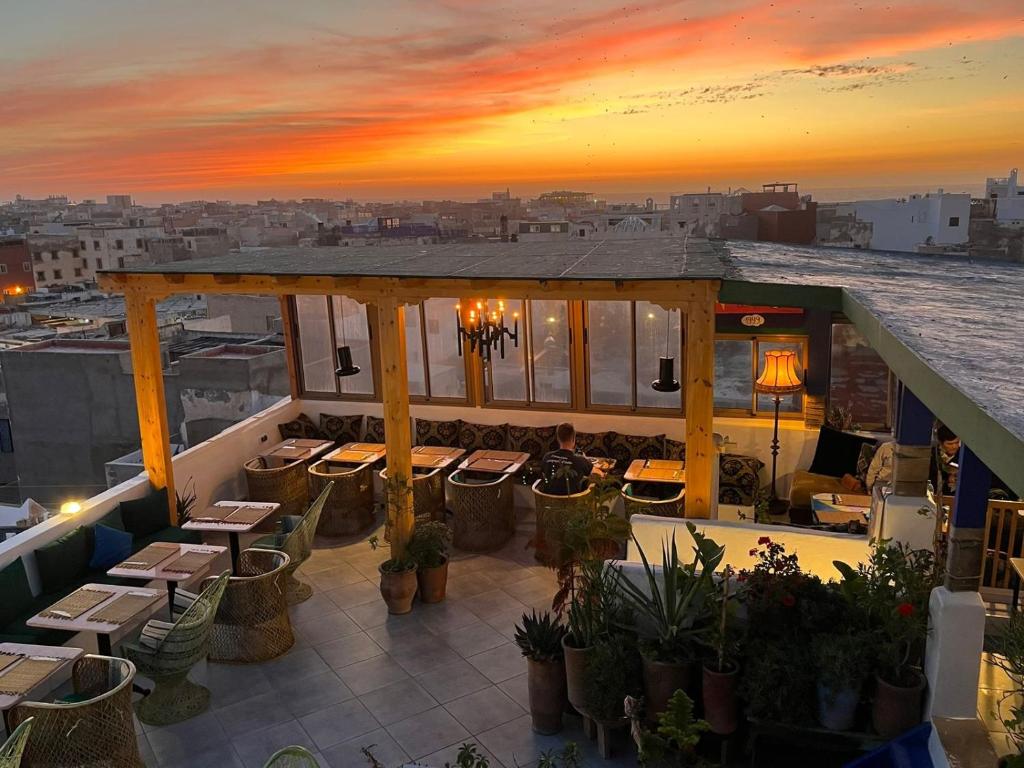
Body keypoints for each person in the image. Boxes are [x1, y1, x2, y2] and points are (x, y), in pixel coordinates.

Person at [541, 422, 604, 495]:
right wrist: (585, 460)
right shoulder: (580, 460)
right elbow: (600, 475)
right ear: (573, 439)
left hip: (548, 502)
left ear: (558, 438)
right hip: (572, 503)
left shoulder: (546, 457)